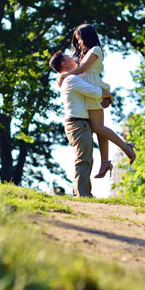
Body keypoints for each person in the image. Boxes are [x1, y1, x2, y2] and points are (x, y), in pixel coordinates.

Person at [56, 24, 135, 178]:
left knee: (97, 127)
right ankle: (105, 161)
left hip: (93, 86)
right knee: (98, 127)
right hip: (86, 89)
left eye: (79, 39)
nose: (78, 43)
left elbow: (82, 68)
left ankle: (126, 147)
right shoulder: (81, 54)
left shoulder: (95, 50)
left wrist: (63, 76)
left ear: (87, 37)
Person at [50, 50, 113, 197]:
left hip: (78, 123)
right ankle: (82, 194)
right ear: (64, 63)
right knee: (84, 159)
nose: (72, 57)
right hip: (77, 123)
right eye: (68, 56)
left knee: (84, 158)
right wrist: (108, 94)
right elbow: (94, 92)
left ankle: (81, 192)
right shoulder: (72, 79)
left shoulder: (70, 78)